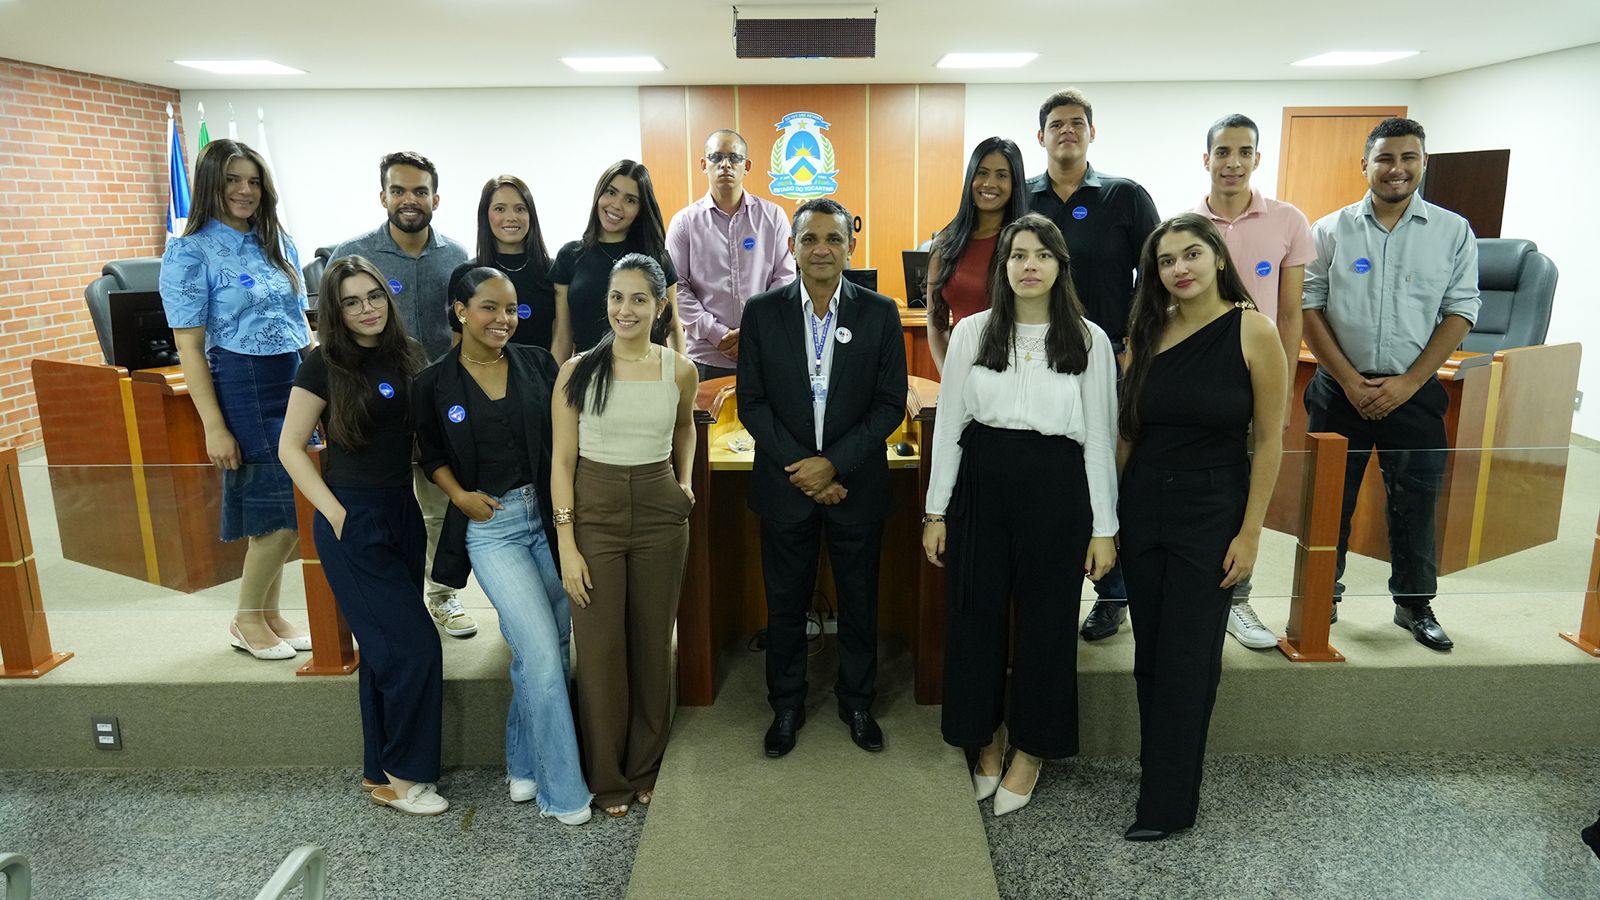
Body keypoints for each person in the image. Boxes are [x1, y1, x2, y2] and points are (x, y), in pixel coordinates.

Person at [921, 213, 1118, 816]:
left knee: (1047, 624)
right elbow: (950, 425)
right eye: (1017, 255)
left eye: (1042, 255)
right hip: (982, 483)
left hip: (1057, 489)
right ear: (1002, 267)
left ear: (1060, 266)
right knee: (974, 616)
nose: (1029, 265)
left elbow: (1100, 438)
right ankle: (985, 741)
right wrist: (935, 511)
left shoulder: (1088, 338)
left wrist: (1104, 528)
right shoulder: (972, 332)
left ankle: (1032, 750)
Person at [1117, 213, 1287, 840]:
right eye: (1165, 261)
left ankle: (1168, 804)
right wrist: (1107, 518)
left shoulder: (1253, 329)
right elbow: (1127, 434)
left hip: (1213, 510)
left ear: (1217, 256)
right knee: (1151, 654)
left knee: (1189, 659)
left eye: (1191, 254)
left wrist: (1251, 532)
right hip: (1143, 506)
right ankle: (1157, 773)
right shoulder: (1147, 330)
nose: (1179, 269)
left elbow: (1268, 440)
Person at [413, 266, 593, 825]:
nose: (503, 319)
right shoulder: (433, 383)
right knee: (540, 655)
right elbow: (429, 453)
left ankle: (522, 764)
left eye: (511, 309)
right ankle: (564, 792)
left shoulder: (538, 363)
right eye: (489, 307)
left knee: (551, 646)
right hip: (491, 528)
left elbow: (566, 439)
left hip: (548, 519)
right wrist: (458, 495)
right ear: (460, 311)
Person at [736, 198, 909, 759]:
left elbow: (889, 404)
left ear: (850, 247)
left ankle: (857, 701)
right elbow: (752, 402)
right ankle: (786, 704)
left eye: (833, 239)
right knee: (785, 604)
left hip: (855, 483)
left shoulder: (879, 312)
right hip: (785, 485)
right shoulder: (762, 311)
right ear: (792, 246)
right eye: (809, 238)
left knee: (860, 602)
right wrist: (805, 470)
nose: (821, 249)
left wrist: (832, 464)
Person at [1301, 117, 1480, 652]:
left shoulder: (1453, 231)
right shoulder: (1329, 230)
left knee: (1416, 502)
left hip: (1415, 392)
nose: (1396, 169)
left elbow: (1461, 310)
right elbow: (1309, 306)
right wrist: (1348, 380)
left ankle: (1413, 603)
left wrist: (1408, 383)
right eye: (1384, 158)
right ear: (1366, 164)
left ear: (1423, 163)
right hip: (1339, 391)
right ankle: (1320, 594)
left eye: (1408, 158)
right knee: (1328, 502)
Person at [277, 255, 446, 816]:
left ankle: (379, 768)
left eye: (373, 296)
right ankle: (404, 778)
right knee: (414, 646)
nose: (367, 309)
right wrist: (334, 512)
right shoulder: (321, 364)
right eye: (351, 302)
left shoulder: (409, 353)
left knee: (382, 649)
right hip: (353, 517)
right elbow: (290, 447)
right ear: (335, 311)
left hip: (402, 510)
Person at [550, 254, 698, 817]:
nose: (625, 309)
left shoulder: (678, 369)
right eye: (617, 297)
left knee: (653, 643)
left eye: (639, 299)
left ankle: (645, 767)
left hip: (660, 508)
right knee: (600, 648)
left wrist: (684, 482)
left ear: (659, 306)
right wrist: (567, 543)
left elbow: (685, 427)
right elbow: (561, 463)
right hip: (594, 509)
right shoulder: (578, 370)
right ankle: (607, 776)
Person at [158, 138, 310, 660]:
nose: (245, 191)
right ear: (210, 185)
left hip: (292, 377)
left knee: (292, 499)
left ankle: (268, 612)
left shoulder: (277, 240)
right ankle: (246, 619)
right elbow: (189, 346)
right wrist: (214, 426)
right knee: (279, 504)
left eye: (253, 181)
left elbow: (299, 321)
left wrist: (323, 386)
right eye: (232, 180)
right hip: (243, 381)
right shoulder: (190, 250)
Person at [1026, 87, 1160, 642]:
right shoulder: (1022, 196)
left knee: (1108, 469)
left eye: (1077, 123)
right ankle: (1049, 587)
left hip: (1112, 360)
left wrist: (1135, 341)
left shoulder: (1124, 195)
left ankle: (1114, 591)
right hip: (1037, 361)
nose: (1067, 131)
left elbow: (1156, 273)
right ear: (1041, 136)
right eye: (1057, 124)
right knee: (1053, 473)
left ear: (1091, 132)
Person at [332, 151, 476, 640]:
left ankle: (442, 596)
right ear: (383, 196)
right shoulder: (354, 255)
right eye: (398, 190)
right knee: (382, 508)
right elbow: (333, 334)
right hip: (373, 409)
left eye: (419, 191)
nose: (409, 200)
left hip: (436, 404)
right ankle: (390, 599)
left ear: (436, 198)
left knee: (437, 508)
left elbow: (463, 332)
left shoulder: (457, 257)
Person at [1191, 113, 1316, 650]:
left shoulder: (1288, 221)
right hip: (1199, 382)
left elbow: (1290, 315)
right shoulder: (1186, 225)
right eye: (1223, 152)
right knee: (1206, 488)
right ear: (1207, 159)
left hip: (1257, 377)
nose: (1233, 163)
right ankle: (1200, 592)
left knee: (1249, 488)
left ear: (1257, 159)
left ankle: (1238, 601)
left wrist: (1283, 391)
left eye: (1244, 152)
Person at [666, 129, 796, 381]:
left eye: (734, 158)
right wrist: (717, 334)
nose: (725, 164)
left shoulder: (773, 216)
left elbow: (785, 279)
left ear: (746, 166)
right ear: (704, 165)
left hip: (764, 353)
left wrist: (752, 329)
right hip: (705, 357)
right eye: (716, 157)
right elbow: (676, 288)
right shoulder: (684, 223)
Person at [552, 160, 684, 357]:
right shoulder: (569, 256)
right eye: (611, 192)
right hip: (588, 370)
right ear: (599, 194)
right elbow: (563, 335)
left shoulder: (655, 257)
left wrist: (680, 371)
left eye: (630, 200)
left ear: (640, 209)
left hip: (645, 370)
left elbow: (672, 326)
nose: (616, 205)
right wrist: (557, 376)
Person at [925, 137, 1029, 372]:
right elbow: (936, 327)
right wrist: (951, 378)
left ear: (1014, 183)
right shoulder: (944, 244)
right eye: (982, 173)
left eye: (1001, 175)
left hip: (1016, 371)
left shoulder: (1026, 243)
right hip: (962, 370)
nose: (989, 183)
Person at [449, 175, 569, 359]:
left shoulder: (554, 271)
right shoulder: (466, 274)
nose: (511, 217)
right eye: (500, 209)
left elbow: (562, 336)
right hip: (482, 374)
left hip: (543, 375)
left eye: (520, 209)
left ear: (531, 215)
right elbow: (460, 343)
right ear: (485, 215)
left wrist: (553, 376)